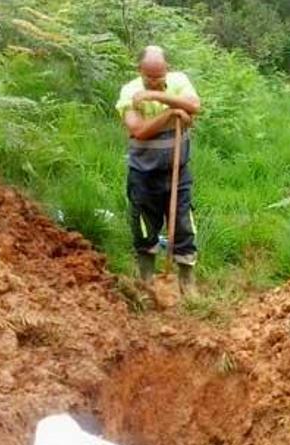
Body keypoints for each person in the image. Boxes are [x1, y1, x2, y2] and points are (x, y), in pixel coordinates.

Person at [115, 45, 201, 295]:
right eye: (148, 77)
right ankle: (147, 281)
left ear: (167, 70)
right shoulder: (129, 91)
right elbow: (138, 130)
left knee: (184, 224)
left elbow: (194, 107)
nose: (154, 81)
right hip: (143, 173)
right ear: (139, 70)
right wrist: (172, 114)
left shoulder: (179, 81)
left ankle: (186, 281)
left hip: (177, 169)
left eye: (158, 76)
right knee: (144, 226)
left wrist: (159, 98)